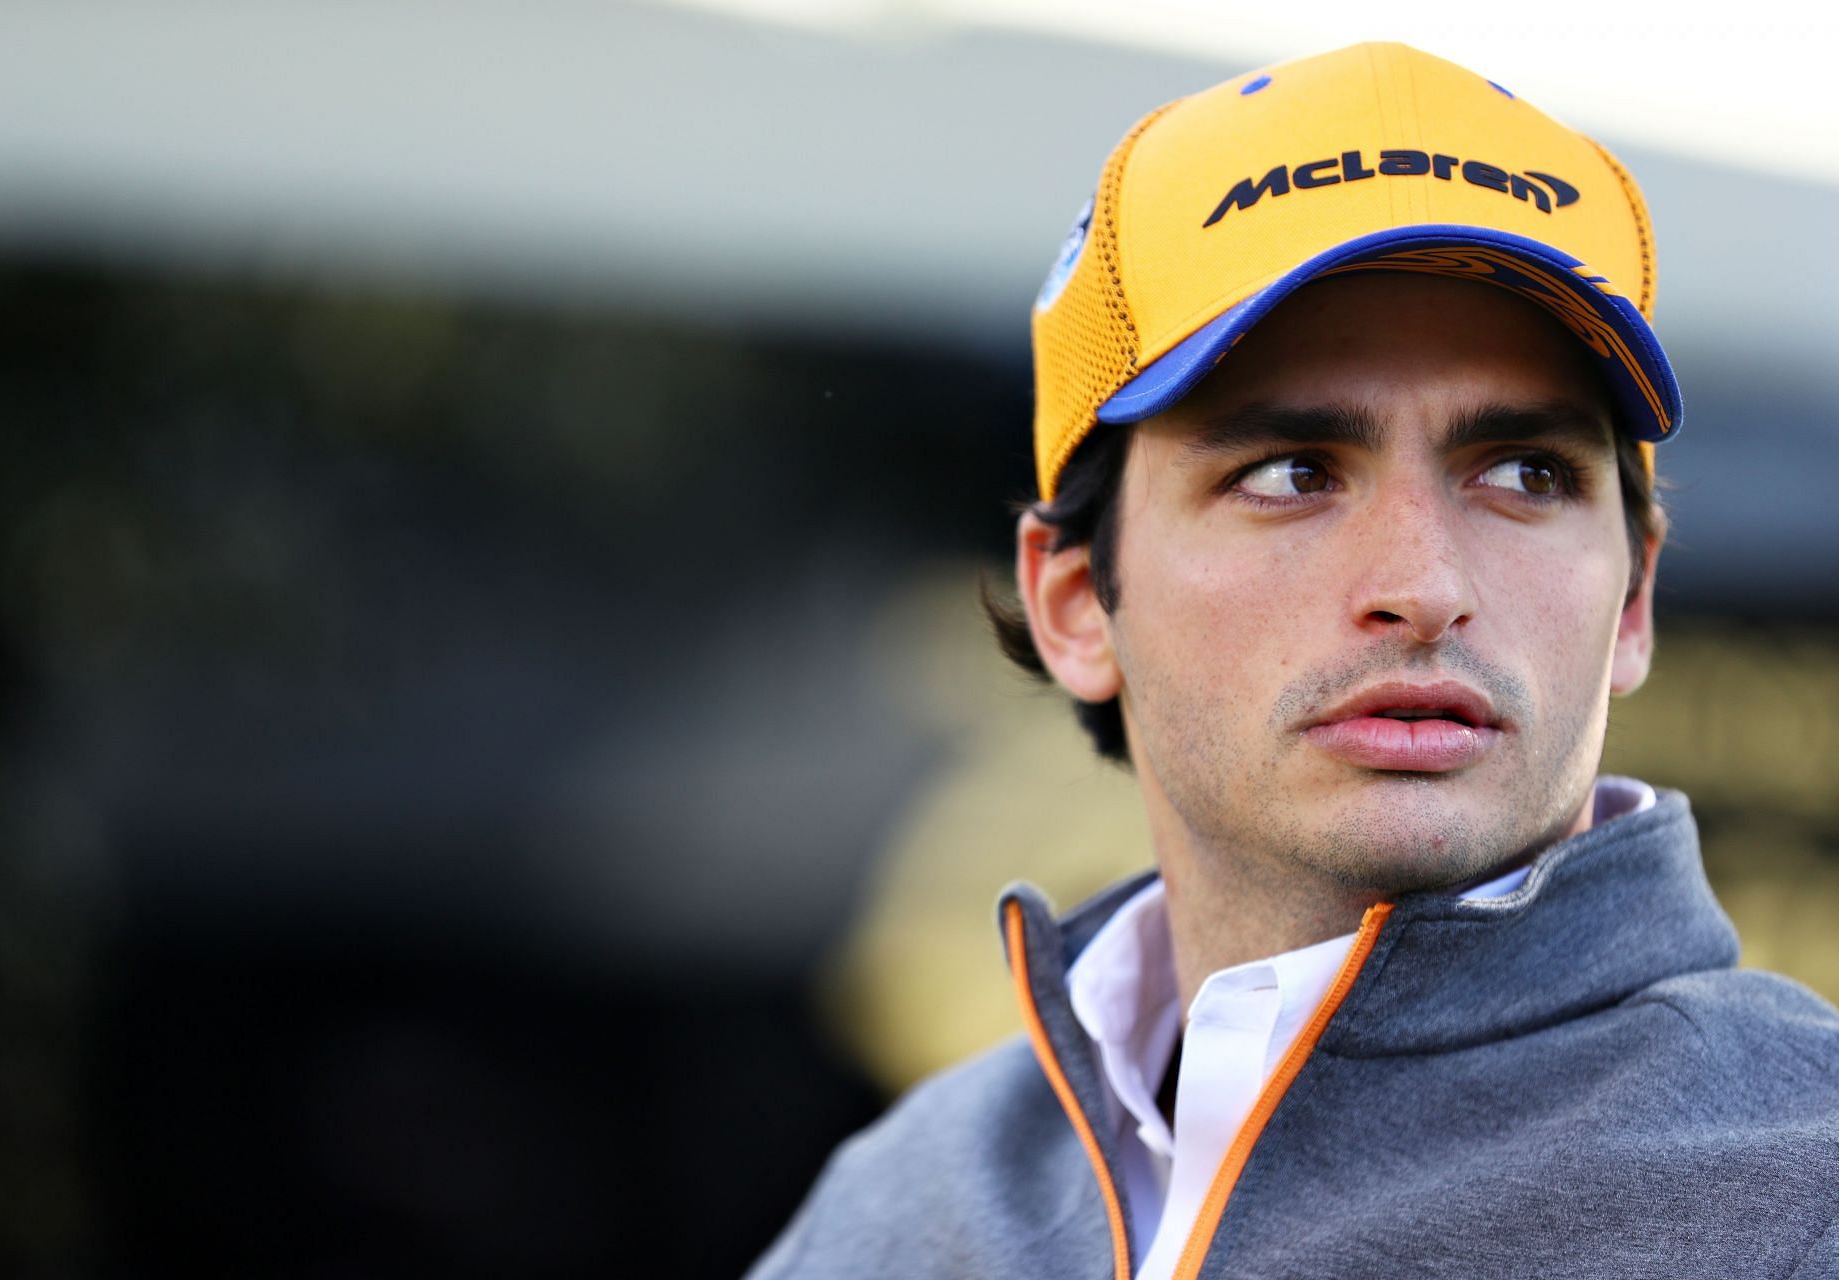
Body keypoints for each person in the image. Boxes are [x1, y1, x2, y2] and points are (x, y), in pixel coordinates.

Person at [749, 42, 1839, 1280]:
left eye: (1527, 473)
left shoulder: (1807, 1196)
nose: (1423, 587)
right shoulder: (905, 1210)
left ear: (1634, 596)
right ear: (1073, 601)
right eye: (1289, 473)